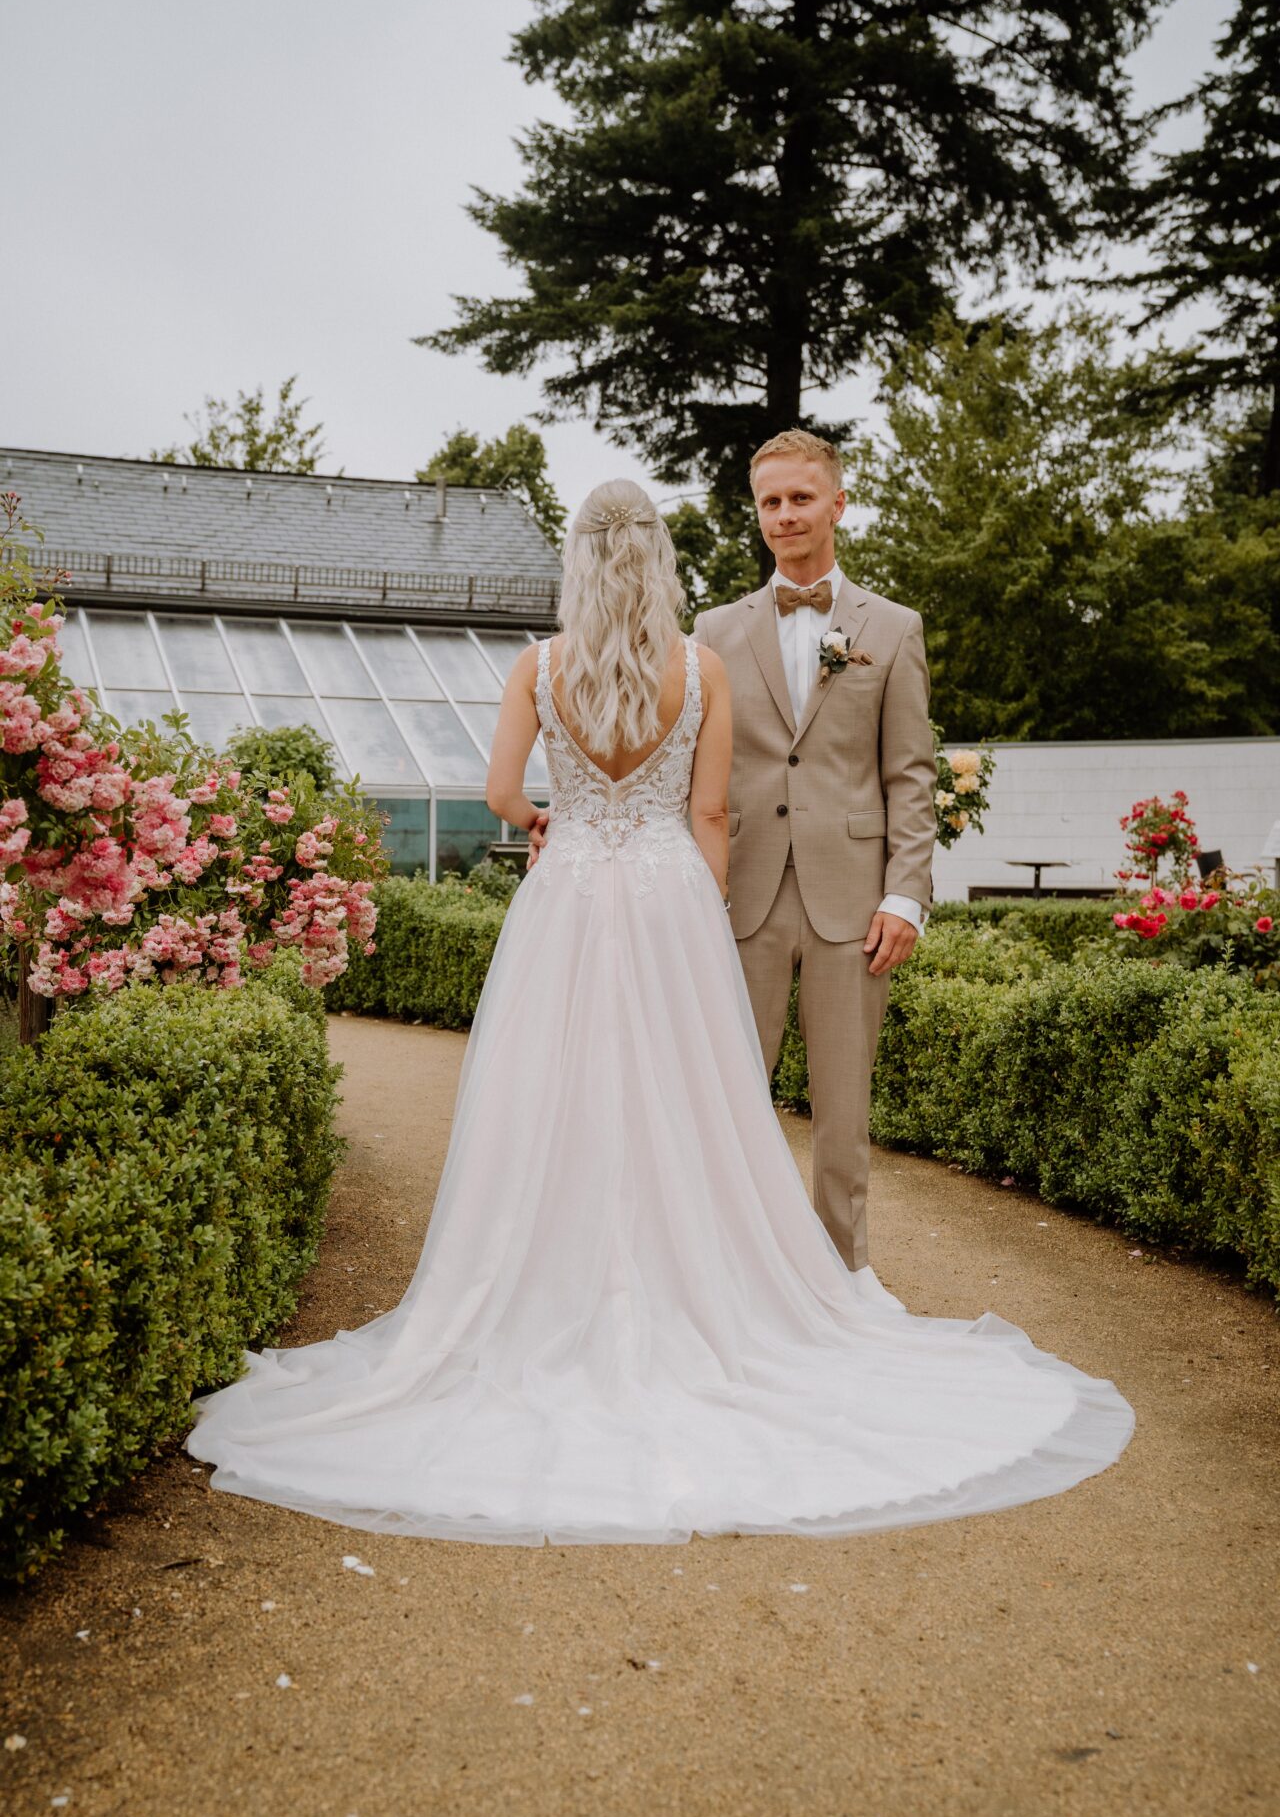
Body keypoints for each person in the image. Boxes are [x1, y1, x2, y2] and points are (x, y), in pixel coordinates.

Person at [185, 478, 1134, 1546]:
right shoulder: (702, 666)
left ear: (577, 566)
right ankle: (724, 1289)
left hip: (569, 898)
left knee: (552, 1094)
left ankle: (544, 1281)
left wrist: (545, 817)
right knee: (691, 1103)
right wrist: (695, 902)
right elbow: (711, 810)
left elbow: (500, 790)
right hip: (674, 894)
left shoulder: (536, 668)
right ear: (659, 562)